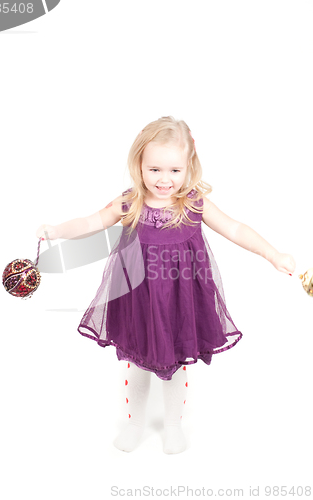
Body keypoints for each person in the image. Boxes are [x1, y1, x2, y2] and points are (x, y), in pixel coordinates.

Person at [36, 116, 296, 454]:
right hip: (138, 298)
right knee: (137, 363)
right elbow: (93, 221)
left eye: (174, 170)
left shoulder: (193, 204)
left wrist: (272, 254)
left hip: (180, 299)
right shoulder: (130, 202)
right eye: (155, 169)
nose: (164, 179)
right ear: (139, 165)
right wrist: (57, 231)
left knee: (175, 366)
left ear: (189, 166)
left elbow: (234, 229)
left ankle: (173, 425)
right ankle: (135, 423)